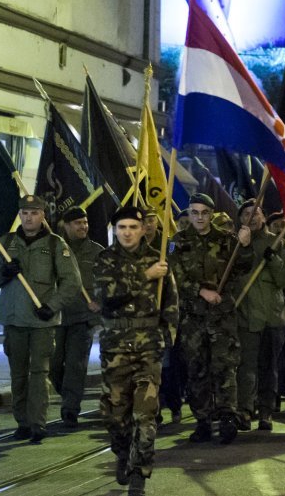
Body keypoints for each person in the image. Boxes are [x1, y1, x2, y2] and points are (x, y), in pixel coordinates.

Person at [94, 206, 179, 496]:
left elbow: (171, 303)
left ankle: (140, 473)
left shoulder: (160, 260)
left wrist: (167, 337)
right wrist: (145, 275)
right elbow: (107, 296)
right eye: (122, 228)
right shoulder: (106, 259)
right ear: (115, 231)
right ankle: (121, 452)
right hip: (115, 345)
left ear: (143, 229)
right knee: (115, 415)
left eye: (133, 227)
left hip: (148, 348)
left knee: (146, 414)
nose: (127, 232)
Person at [0, 195, 81, 443]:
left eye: (34, 213)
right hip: (14, 319)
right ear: (20, 215)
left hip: (41, 322)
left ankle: (38, 423)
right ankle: (22, 422)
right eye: (25, 213)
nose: (29, 217)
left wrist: (52, 306)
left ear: (43, 216)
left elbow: (72, 283)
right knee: (17, 374)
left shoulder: (55, 244)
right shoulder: (6, 242)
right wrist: (4, 271)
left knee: (39, 374)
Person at [170, 193, 253, 445]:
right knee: (197, 369)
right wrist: (200, 291)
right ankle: (203, 420)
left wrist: (245, 246)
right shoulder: (179, 241)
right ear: (189, 213)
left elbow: (243, 267)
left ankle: (227, 418)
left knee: (225, 367)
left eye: (204, 213)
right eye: (194, 212)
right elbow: (175, 275)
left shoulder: (226, 240)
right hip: (193, 317)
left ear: (212, 214)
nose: (199, 217)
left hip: (221, 316)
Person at [233, 200, 285, 431]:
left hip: (272, 317)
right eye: (245, 214)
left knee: (269, 366)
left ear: (263, 217)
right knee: (246, 367)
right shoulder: (233, 244)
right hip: (245, 315)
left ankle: (266, 411)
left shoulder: (278, 243)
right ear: (240, 219)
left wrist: (273, 259)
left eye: (256, 213)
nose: (251, 218)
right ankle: (244, 410)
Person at [50, 206, 103, 428]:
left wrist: (99, 301)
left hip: (83, 317)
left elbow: (106, 281)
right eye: (78, 223)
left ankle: (70, 408)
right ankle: (68, 393)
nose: (83, 226)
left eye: (85, 222)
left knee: (76, 365)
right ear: (66, 225)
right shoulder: (54, 248)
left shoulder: (97, 252)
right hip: (57, 316)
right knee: (53, 366)